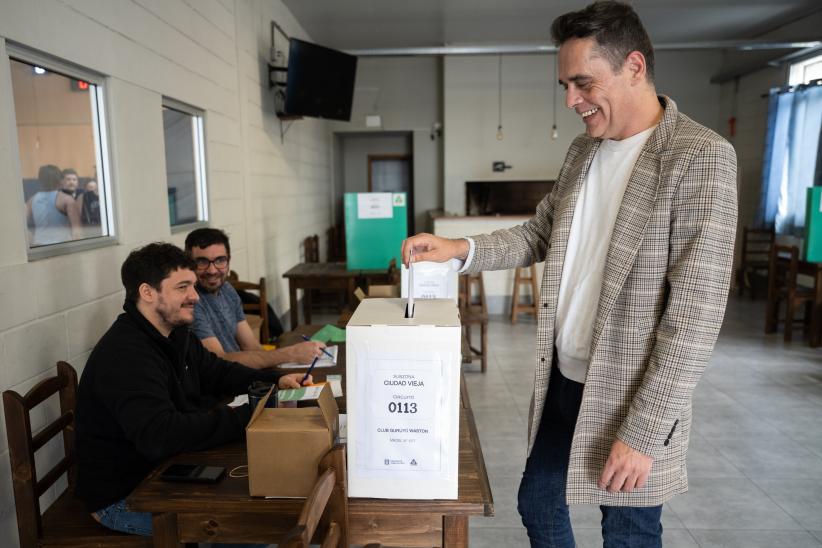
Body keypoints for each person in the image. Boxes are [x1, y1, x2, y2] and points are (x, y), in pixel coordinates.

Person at [401, 2, 737, 546]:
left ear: (633, 66)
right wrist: (458, 248)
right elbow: (539, 234)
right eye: (565, 84)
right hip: (565, 376)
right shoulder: (584, 151)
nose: (570, 101)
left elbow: (694, 318)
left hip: (632, 392)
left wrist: (645, 433)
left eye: (583, 82)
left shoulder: (698, 157)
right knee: (537, 502)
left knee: (627, 530)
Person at [75, 243, 308, 546]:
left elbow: (218, 372)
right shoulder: (126, 355)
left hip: (166, 471)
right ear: (147, 292)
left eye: (193, 286)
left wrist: (274, 382)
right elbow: (161, 434)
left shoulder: (174, 331)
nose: (195, 296)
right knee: (247, 524)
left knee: (262, 500)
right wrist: (249, 414)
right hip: (126, 497)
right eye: (182, 287)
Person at [184, 228, 324, 368]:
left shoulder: (228, 290)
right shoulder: (191, 302)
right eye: (202, 262)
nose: (212, 270)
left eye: (220, 260)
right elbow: (219, 360)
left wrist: (281, 366)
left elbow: (250, 345)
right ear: (189, 265)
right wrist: (291, 354)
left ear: (229, 261)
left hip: (242, 375)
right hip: (221, 385)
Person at [26, 164, 80, 245]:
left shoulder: (32, 200)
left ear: (40, 180)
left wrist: (33, 240)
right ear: (60, 180)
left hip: (39, 246)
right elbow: (77, 231)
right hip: (62, 247)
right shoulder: (66, 199)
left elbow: (21, 228)